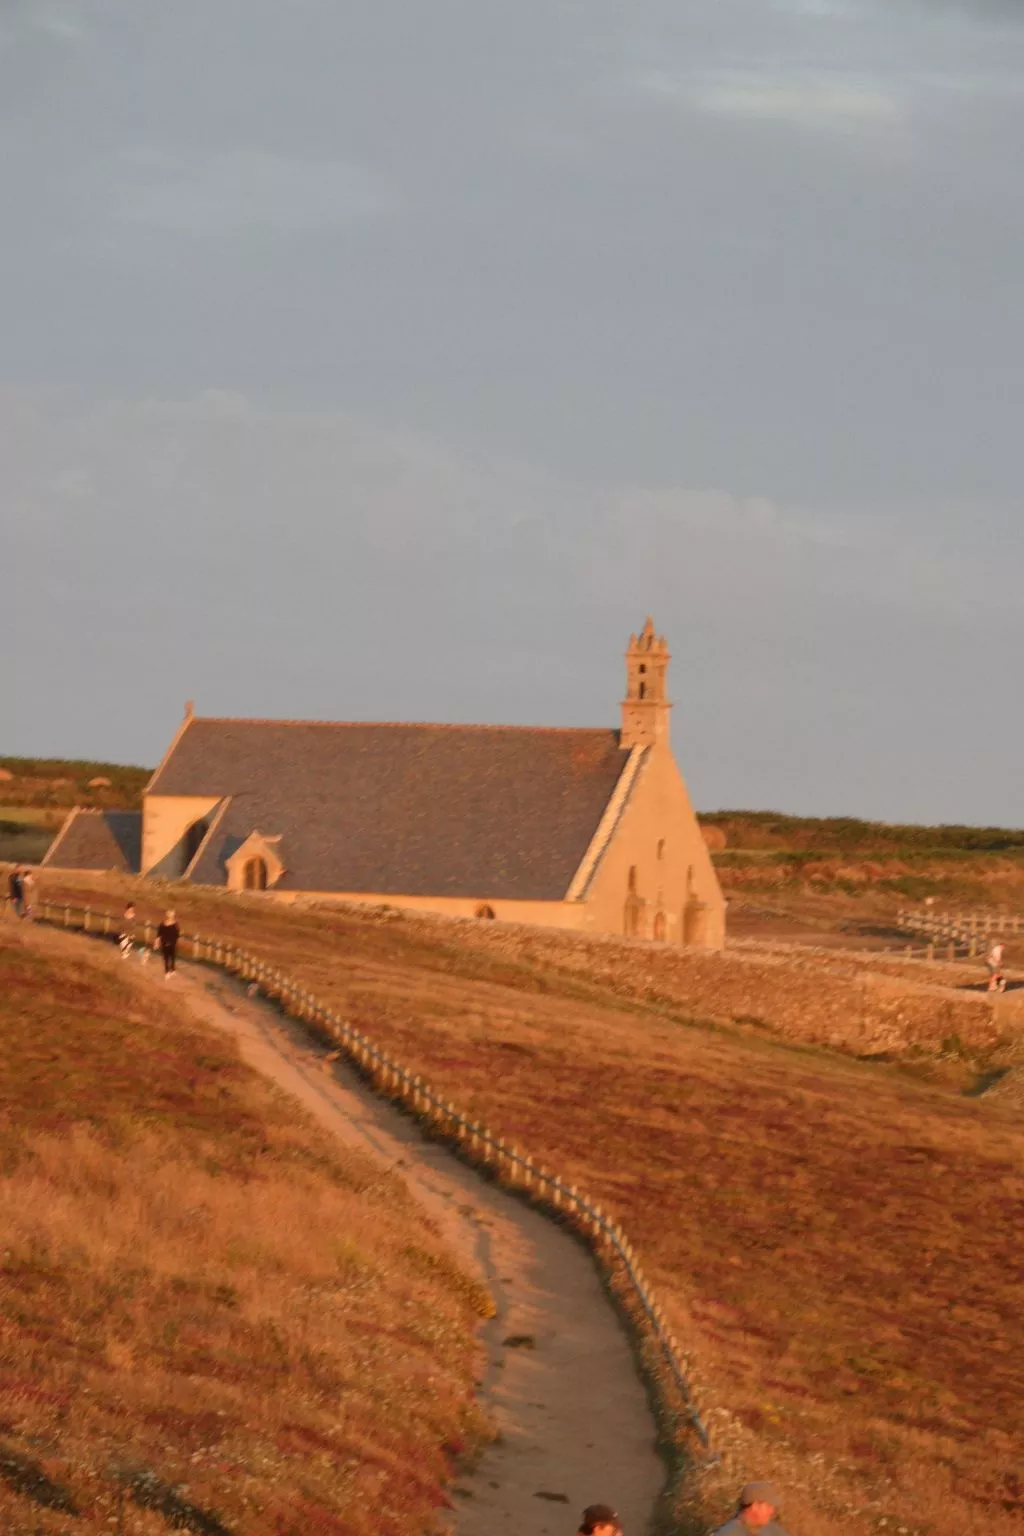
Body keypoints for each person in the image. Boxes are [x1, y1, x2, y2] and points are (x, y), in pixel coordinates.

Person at [711, 1482, 789, 1536]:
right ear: (755, 1506)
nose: (772, 1511)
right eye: (768, 1506)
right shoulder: (728, 1533)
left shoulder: (773, 1530)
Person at [155, 909, 180, 978]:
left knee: (173, 957)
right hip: (165, 943)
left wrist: (175, 940)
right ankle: (167, 972)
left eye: (172, 915)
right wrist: (156, 943)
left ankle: (172, 970)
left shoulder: (175, 924)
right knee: (166, 958)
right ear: (167, 916)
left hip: (173, 943)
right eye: (170, 915)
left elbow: (177, 934)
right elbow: (158, 934)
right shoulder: (162, 924)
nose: (172, 917)